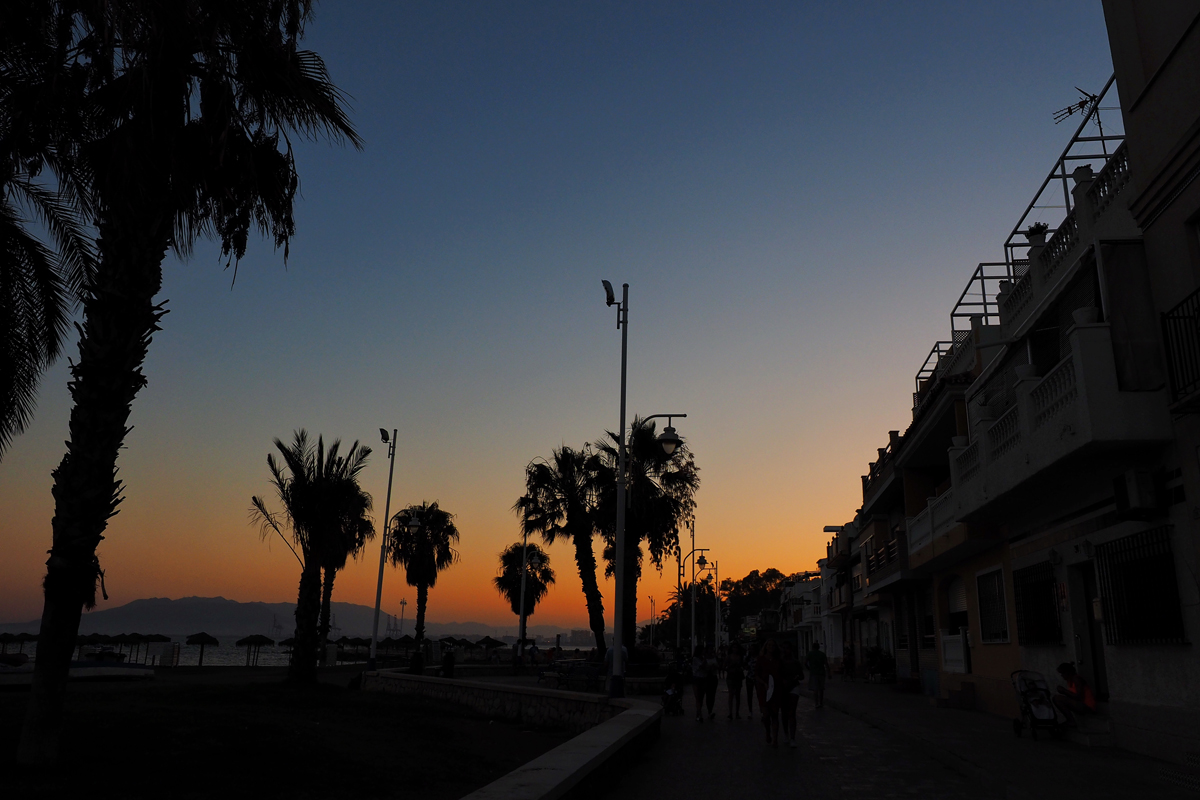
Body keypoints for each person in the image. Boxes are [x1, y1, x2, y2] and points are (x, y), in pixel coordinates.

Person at [755, 638, 782, 747]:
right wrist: (763, 683)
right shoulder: (761, 659)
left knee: (775, 715)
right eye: (769, 645)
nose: (771, 647)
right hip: (764, 689)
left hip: (776, 689)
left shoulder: (778, 660)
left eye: (773, 645)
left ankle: (775, 739)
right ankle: (767, 731)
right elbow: (757, 674)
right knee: (766, 715)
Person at [779, 642, 803, 747]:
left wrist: (795, 678)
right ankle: (786, 734)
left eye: (787, 649)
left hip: (793, 687)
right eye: (784, 649)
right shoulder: (779, 662)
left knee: (792, 712)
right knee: (784, 712)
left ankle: (793, 737)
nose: (786, 651)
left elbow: (801, 676)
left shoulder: (796, 662)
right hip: (782, 688)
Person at [807, 641, 830, 708]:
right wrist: (829, 673)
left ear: (812, 647)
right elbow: (826, 664)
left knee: (815, 689)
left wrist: (809, 668)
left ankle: (816, 703)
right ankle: (821, 703)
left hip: (813, 673)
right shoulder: (822, 654)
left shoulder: (810, 654)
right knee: (821, 689)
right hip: (822, 673)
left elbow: (805, 662)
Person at [726, 642, 745, 719]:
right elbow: (724, 666)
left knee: (737, 695)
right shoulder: (728, 657)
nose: (735, 649)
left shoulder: (740, 657)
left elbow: (743, 665)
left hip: (738, 676)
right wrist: (731, 666)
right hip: (731, 676)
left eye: (736, 648)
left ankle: (737, 712)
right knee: (731, 694)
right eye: (734, 647)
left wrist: (740, 667)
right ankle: (730, 712)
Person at [743, 644, 757, 718]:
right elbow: (744, 666)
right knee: (749, 695)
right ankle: (750, 711)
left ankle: (762, 711)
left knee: (760, 695)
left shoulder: (759, 658)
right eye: (750, 649)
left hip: (758, 678)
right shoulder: (747, 658)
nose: (751, 651)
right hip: (750, 677)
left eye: (753, 649)